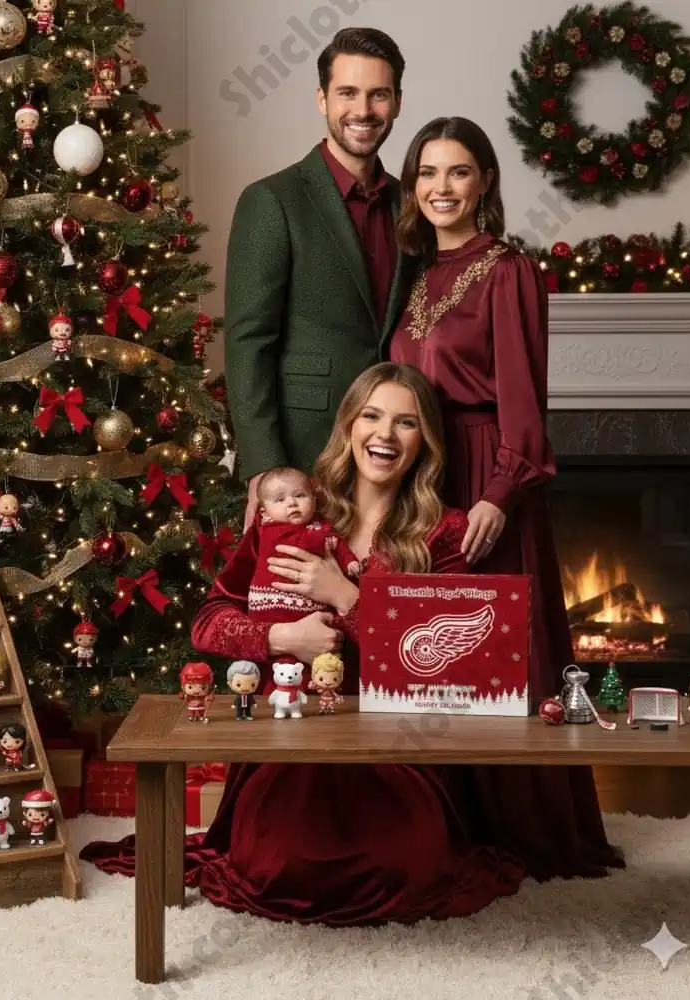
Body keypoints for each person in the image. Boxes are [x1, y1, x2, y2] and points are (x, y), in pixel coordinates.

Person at [81, 363, 530, 926]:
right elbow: (210, 619)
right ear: (348, 425)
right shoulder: (291, 508)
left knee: (404, 866)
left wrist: (347, 597)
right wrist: (279, 636)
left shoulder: (443, 532)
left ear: (426, 442)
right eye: (371, 415)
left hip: (396, 741)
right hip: (292, 737)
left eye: (406, 423)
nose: (385, 435)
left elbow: (455, 666)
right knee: (282, 865)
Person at [388, 116, 625, 880]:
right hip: (425, 480)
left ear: (485, 182)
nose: (441, 188)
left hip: (489, 474)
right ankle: (449, 825)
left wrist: (499, 493)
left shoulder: (509, 270)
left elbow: (526, 402)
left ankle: (526, 828)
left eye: (458, 172)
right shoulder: (412, 274)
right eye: (427, 172)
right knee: (435, 656)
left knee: (500, 655)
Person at [223, 27, 420, 528]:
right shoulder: (272, 200)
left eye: (379, 94)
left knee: (381, 603)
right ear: (322, 99)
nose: (364, 109)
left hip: (393, 460)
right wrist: (266, 468)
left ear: (397, 103)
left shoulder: (411, 205)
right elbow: (248, 342)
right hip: (305, 452)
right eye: (348, 93)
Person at [246, 466, 361, 632]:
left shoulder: (321, 525)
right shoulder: (271, 530)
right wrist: (324, 538)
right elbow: (300, 543)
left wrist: (349, 561)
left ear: (314, 500)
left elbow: (338, 545)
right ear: (265, 513)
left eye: (299, 495)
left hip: (313, 611)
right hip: (274, 608)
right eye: (280, 500)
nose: (292, 503)